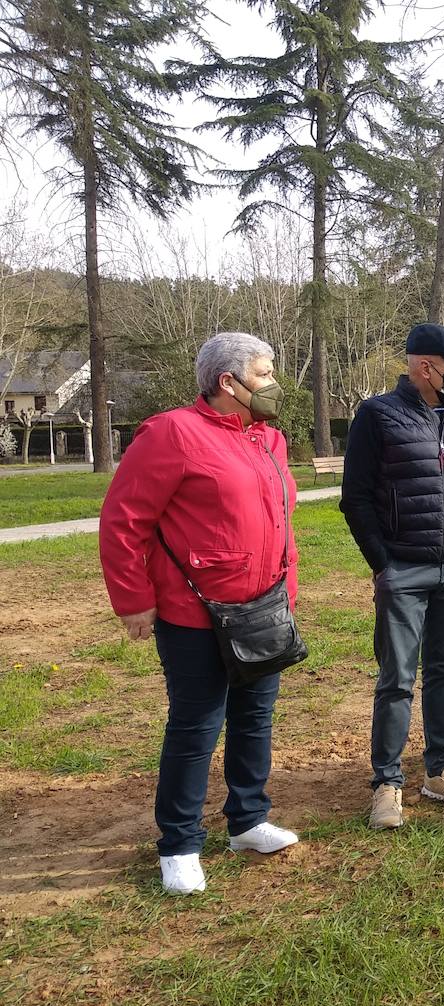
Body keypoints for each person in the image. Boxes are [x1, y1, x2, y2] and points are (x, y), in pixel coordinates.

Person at [99, 332, 301, 895]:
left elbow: (281, 523)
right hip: (195, 613)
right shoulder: (171, 434)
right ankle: (180, 844)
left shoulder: (270, 439)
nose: (272, 384)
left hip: (263, 607)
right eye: (264, 373)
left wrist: (288, 587)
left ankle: (248, 820)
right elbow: (123, 522)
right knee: (196, 726)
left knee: (255, 718)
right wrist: (134, 600)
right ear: (227, 382)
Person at [340, 323, 444, 830]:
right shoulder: (378, 415)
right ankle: (387, 782)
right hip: (405, 568)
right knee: (397, 679)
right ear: (424, 367)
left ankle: (438, 770)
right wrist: (383, 564)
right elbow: (355, 497)